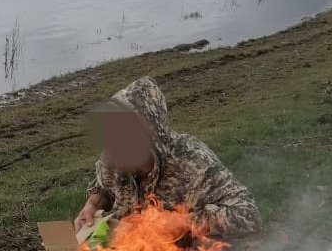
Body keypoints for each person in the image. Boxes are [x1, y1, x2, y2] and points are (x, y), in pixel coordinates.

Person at [74, 76, 260, 239]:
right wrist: (93, 204)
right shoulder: (114, 155)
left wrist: (184, 222)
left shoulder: (194, 163)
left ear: (152, 134)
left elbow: (248, 214)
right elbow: (103, 185)